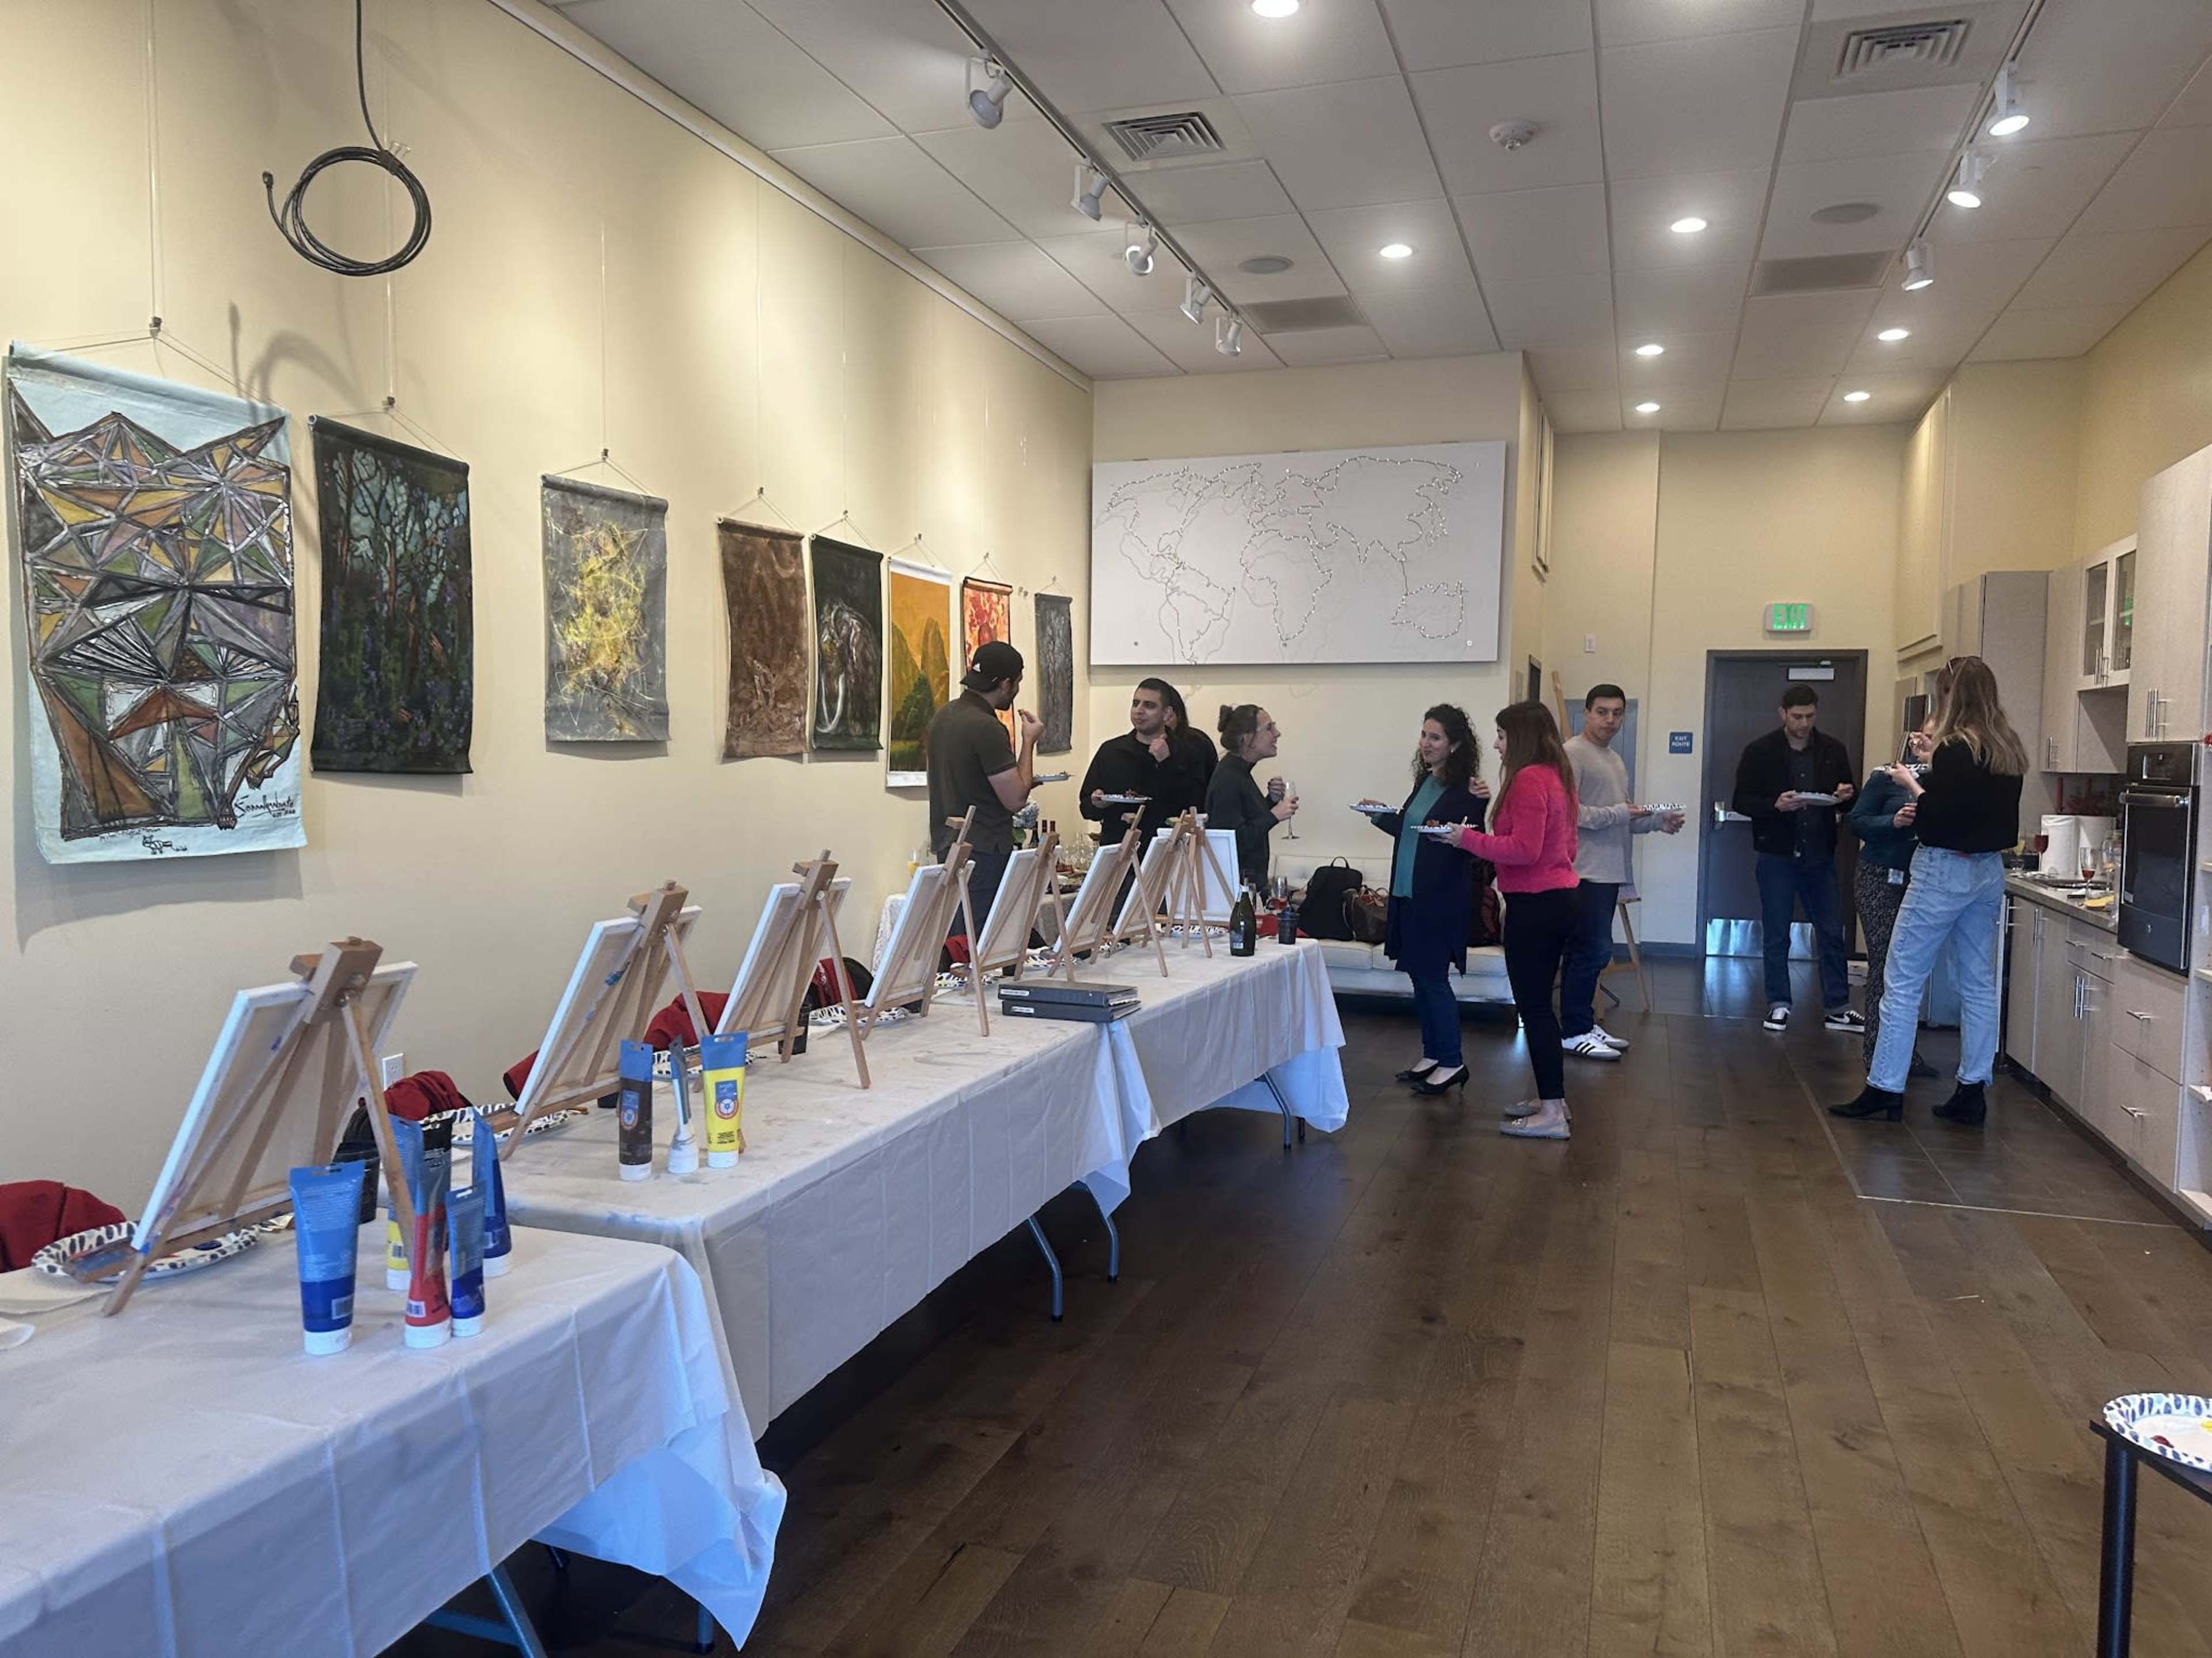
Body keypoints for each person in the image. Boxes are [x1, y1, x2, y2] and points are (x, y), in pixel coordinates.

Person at [1831, 657, 2026, 1127]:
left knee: (1901, 979)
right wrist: (1932, 760)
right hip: (1987, 871)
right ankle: (1972, 1088)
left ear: (1950, 695)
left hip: (1943, 869)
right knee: (1978, 983)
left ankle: (1885, 1086)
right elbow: (1973, 802)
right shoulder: (2006, 747)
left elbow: (1938, 816)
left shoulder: (1956, 748)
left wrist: (1910, 782)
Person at [1451, 701, 1581, 1140]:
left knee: (1535, 1008)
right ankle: (1554, 1099)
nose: (1496, 744)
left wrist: (1466, 838)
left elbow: (1524, 849)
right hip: (1560, 899)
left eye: (1503, 735)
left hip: (1536, 905)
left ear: (1521, 737)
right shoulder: (1557, 776)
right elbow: (1567, 847)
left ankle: (1552, 1112)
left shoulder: (1528, 779)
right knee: (1541, 1006)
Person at [1359, 705, 1490, 1097]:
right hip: (1409, 891)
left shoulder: (1468, 789)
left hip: (1439, 897)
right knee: (1419, 976)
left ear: (1455, 745)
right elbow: (1409, 827)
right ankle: (1433, 1054)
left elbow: (1472, 840)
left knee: (1433, 978)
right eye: (1424, 735)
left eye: (1436, 737)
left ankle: (1452, 1061)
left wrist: (1464, 816)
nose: (1426, 743)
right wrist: (1377, 814)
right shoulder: (1426, 779)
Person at [1560, 684, 1683, 1062]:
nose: (1610, 720)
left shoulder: (1613, 759)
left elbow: (1621, 817)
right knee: (1590, 951)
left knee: (1594, 951)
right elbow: (1570, 814)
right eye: (1602, 712)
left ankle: (1582, 1024)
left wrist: (1657, 822)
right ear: (1586, 713)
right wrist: (1621, 812)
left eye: (1617, 713)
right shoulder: (1572, 753)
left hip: (1609, 869)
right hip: (1584, 870)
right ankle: (1573, 1030)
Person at [1730, 684, 1859, 1035]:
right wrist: (1775, 805)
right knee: (1776, 932)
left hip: (1820, 853)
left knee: (1831, 931)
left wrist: (1846, 795)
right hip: (1777, 853)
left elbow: (1849, 798)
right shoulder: (1761, 751)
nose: (1804, 723)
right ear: (1783, 714)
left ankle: (1838, 1006)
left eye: (1810, 716)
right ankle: (1779, 1003)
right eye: (1797, 717)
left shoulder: (1832, 749)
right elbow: (1741, 800)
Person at [924, 639, 1041, 932]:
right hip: (985, 849)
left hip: (949, 843)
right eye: (1017, 683)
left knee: (957, 940)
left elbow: (970, 778)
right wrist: (1029, 741)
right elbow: (1015, 798)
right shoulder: (987, 727)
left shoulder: (944, 716)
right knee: (979, 942)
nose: (1016, 691)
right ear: (1005, 683)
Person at [1845, 720, 1938, 1082]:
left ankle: (1903, 1051)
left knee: (1911, 968)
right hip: (1880, 876)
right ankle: (1877, 1052)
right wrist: (1893, 822)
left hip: (1925, 880)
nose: (1927, 742)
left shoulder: (1948, 782)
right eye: (1925, 736)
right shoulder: (1887, 777)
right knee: (1885, 961)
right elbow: (1857, 821)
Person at [1078, 678, 1208, 850]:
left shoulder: (1189, 753)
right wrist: (1097, 803)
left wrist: (1167, 762)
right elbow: (1086, 808)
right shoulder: (1111, 751)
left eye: (1149, 706)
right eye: (1135, 704)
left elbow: (1195, 806)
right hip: (1118, 851)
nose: (1139, 711)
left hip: (1167, 850)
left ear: (1167, 714)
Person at [1205, 704, 1297, 886]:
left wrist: (1271, 801)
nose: (1277, 733)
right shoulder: (1229, 778)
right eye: (1269, 728)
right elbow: (1233, 840)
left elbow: (1247, 819)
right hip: (1236, 888)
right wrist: (1274, 815)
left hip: (1247, 883)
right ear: (1247, 738)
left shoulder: (1239, 772)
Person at [1158, 684, 1218, 794]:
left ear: (1179, 716)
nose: (1162, 723)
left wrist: (1166, 761)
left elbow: (1202, 787)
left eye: (1168, 717)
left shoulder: (1197, 743)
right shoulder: (1137, 743)